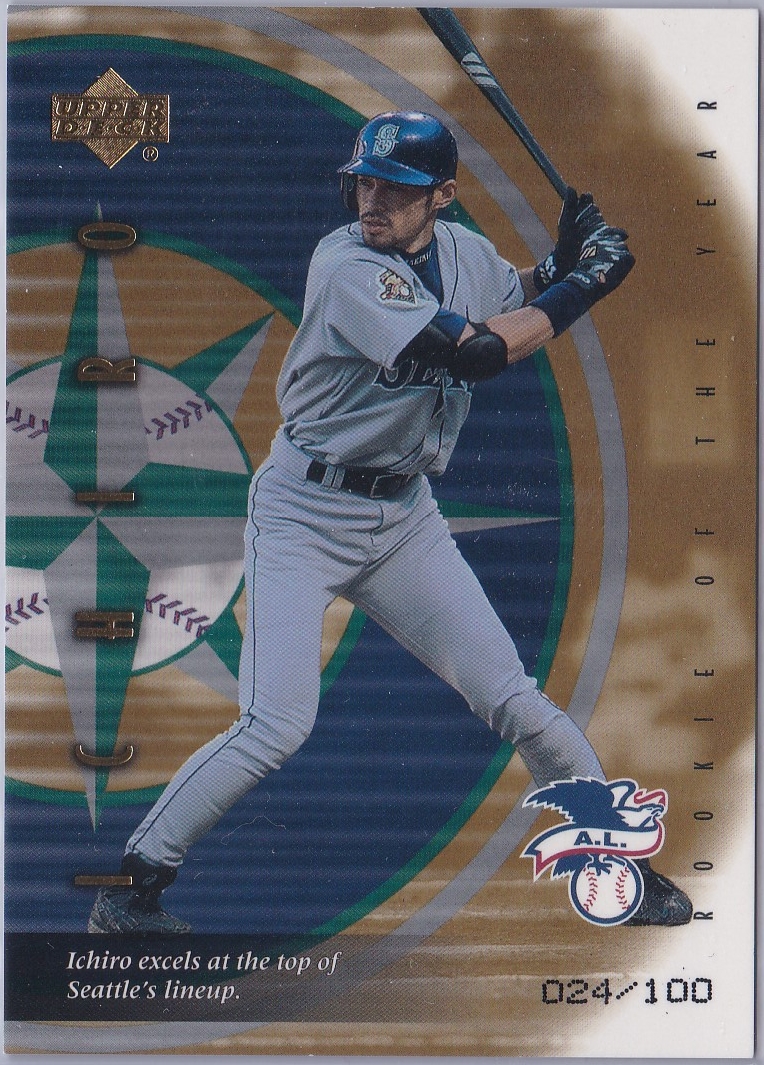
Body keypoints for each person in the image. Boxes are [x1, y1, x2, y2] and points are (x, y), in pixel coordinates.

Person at [89, 111, 692, 933]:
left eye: (397, 188)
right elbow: (476, 350)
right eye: (365, 182)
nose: (373, 199)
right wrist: (588, 284)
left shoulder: (465, 252)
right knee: (276, 723)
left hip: (403, 518)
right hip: (303, 513)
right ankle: (133, 886)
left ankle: (617, 868)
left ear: (442, 195)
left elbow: (512, 294)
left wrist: (563, 260)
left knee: (514, 698)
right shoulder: (346, 265)